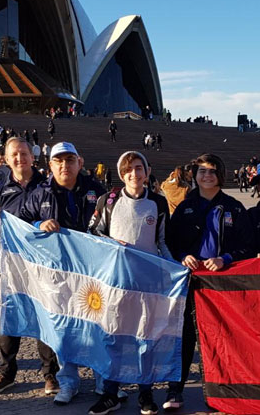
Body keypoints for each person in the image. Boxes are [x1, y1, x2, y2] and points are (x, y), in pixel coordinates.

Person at [18, 141, 106, 406]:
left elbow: (111, 224)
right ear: (51, 165)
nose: (64, 165)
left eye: (69, 160)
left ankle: (104, 381)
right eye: (59, 161)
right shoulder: (39, 193)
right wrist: (38, 223)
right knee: (64, 327)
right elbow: (20, 223)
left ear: (79, 162)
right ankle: (68, 381)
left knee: (98, 326)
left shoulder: (96, 190)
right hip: (57, 274)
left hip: (92, 271)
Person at [165, 153, 255, 411]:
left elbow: (247, 245)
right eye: (202, 171)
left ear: (220, 176)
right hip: (191, 280)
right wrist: (183, 256)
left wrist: (225, 258)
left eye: (212, 171)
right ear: (195, 175)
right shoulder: (184, 206)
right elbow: (170, 241)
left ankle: (221, 392)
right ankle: (176, 389)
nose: (206, 175)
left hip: (221, 284)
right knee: (184, 335)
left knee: (220, 337)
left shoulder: (234, 206)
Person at [87, 151, 172, 415]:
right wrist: (112, 244)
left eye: (139, 168)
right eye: (128, 170)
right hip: (116, 282)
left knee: (145, 339)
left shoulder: (158, 202)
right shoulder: (108, 200)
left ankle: (145, 394)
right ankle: (110, 393)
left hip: (147, 282)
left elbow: (162, 242)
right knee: (115, 338)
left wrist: (175, 269)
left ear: (146, 172)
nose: (134, 174)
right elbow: (92, 233)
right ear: (121, 174)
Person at [0, 137, 60, 396]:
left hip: (40, 266)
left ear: (31, 156)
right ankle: (6, 373)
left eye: (23, 153)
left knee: (44, 318)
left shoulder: (48, 187)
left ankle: (50, 375)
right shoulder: (1, 191)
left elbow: (52, 223)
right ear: (5, 158)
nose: (19, 158)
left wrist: (40, 226)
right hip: (11, 266)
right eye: (14, 154)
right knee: (10, 318)